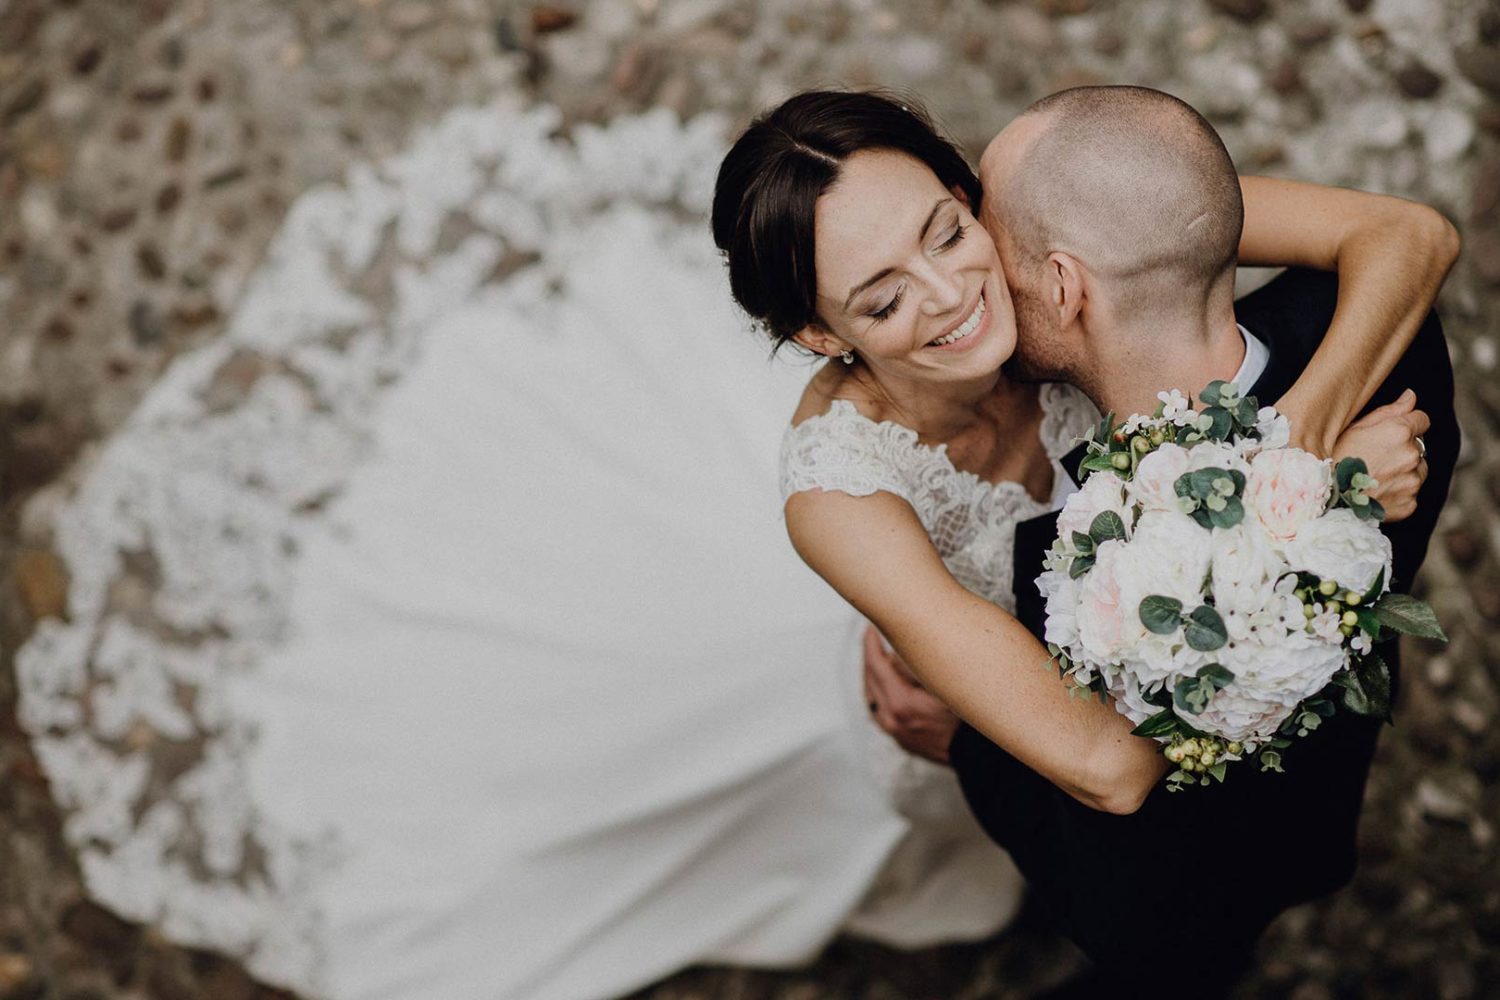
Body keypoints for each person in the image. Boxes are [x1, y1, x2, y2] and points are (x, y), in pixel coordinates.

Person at [862, 86, 1458, 995]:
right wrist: (1298, 461)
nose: (969, 270)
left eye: (984, 231)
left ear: (1064, 288)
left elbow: (1116, 819)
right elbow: (1400, 238)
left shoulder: (1062, 575)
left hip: (1174, 895)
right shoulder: (1380, 346)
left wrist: (969, 738)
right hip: (1320, 803)